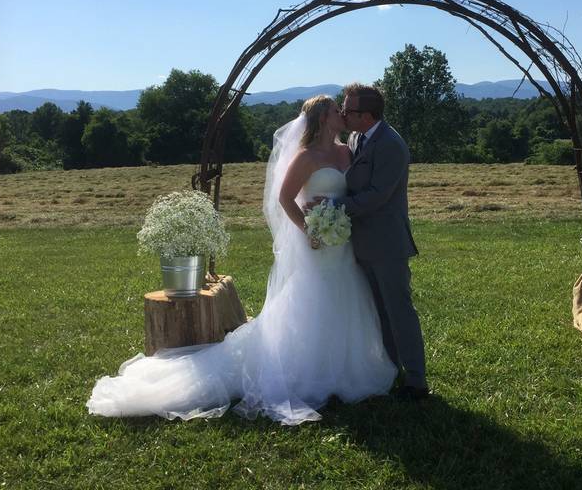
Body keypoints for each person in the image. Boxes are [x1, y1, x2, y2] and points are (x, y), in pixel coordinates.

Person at [87, 95, 397, 425]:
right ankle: (312, 368)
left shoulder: (346, 150)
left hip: (342, 241)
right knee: (314, 300)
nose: (343, 115)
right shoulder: (306, 156)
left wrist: (335, 214)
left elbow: (352, 191)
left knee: (345, 298)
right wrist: (308, 228)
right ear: (323, 119)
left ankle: (343, 367)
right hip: (317, 243)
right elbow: (284, 198)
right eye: (337, 110)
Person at [330, 83, 428, 400]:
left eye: (348, 110)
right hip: (361, 242)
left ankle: (416, 381)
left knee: (399, 311)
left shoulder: (391, 145)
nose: (342, 114)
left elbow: (377, 196)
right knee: (379, 311)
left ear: (367, 115)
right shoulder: (357, 137)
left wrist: (330, 207)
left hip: (387, 243)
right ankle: (390, 369)